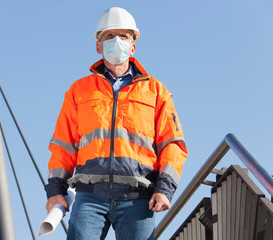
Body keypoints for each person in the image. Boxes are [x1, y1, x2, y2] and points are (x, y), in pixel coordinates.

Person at [45, 7, 188, 240]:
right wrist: (54, 191)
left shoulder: (156, 92)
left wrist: (165, 189)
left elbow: (173, 146)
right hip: (89, 197)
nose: (117, 41)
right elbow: (63, 145)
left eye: (124, 36)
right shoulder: (78, 91)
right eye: (109, 36)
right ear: (98, 46)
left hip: (139, 199)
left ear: (133, 45)